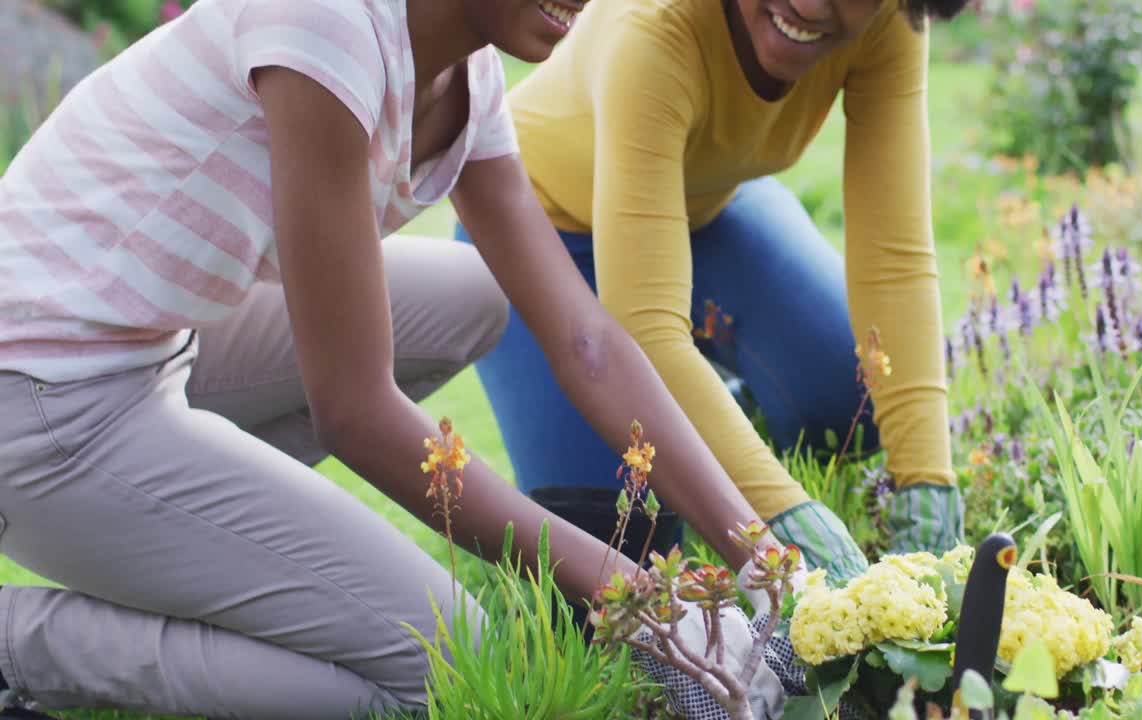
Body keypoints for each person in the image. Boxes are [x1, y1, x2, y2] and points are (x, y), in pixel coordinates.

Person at [0, 0, 799, 717]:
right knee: (459, 665)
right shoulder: (324, 25)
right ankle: (22, 641)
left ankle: (186, 525)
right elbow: (353, 411)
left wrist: (762, 553)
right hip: (41, 400)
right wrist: (638, 596)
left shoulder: (466, 72)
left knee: (473, 295)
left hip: (158, 338)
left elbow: (581, 338)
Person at [455, 0, 971, 582]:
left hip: (707, 213)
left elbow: (894, 258)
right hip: (540, 232)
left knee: (854, 395)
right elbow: (644, 329)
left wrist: (927, 482)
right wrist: (784, 523)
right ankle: (708, 418)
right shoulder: (655, 24)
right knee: (622, 542)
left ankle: (719, 409)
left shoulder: (886, 20)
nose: (806, 4)